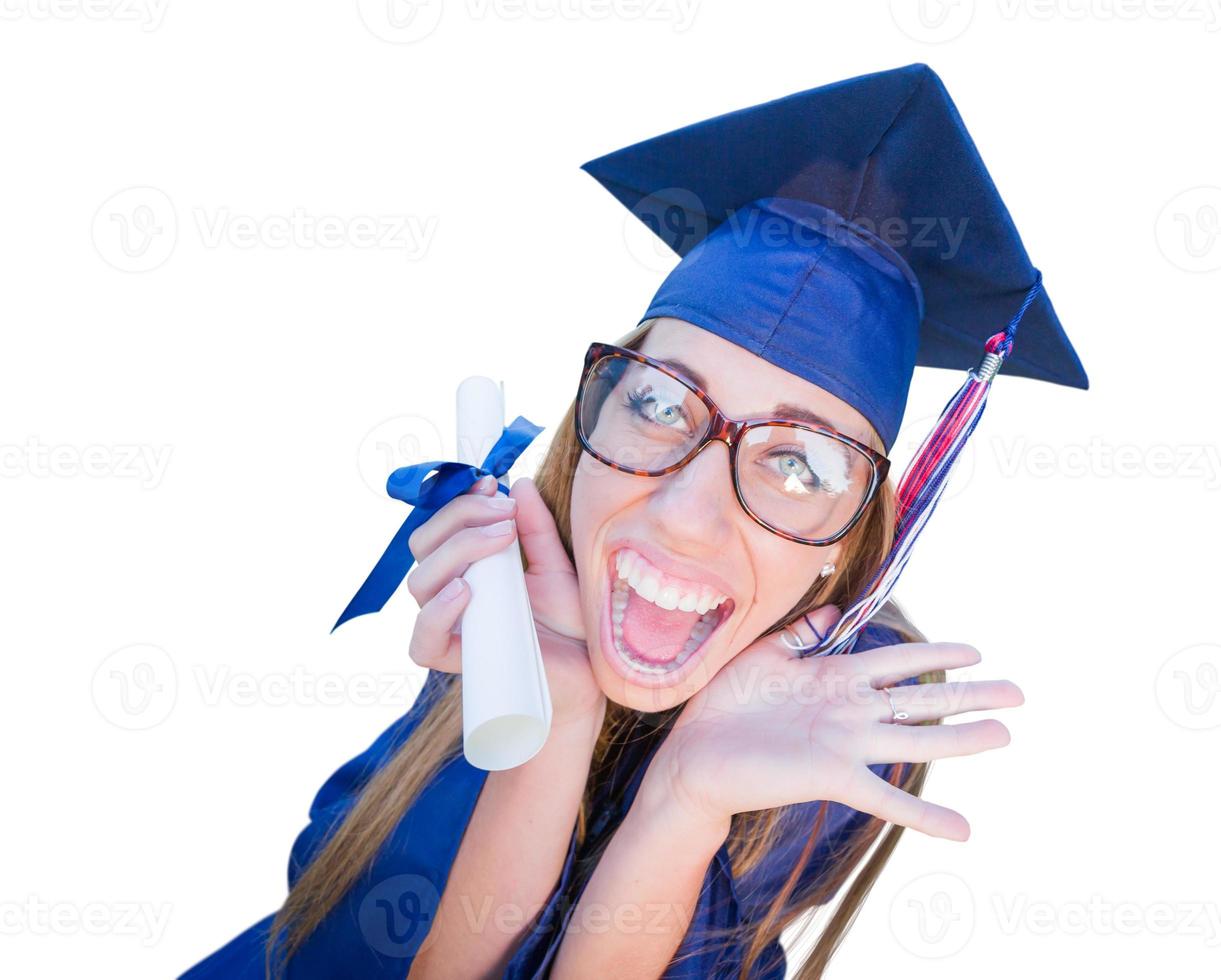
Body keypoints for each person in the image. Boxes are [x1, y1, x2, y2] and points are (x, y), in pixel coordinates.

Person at [181, 61, 1087, 979]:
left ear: (850, 539)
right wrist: (557, 702)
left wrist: (683, 806)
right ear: (590, 418)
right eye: (657, 405)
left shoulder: (849, 710)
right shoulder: (533, 577)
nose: (685, 515)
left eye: (799, 463)